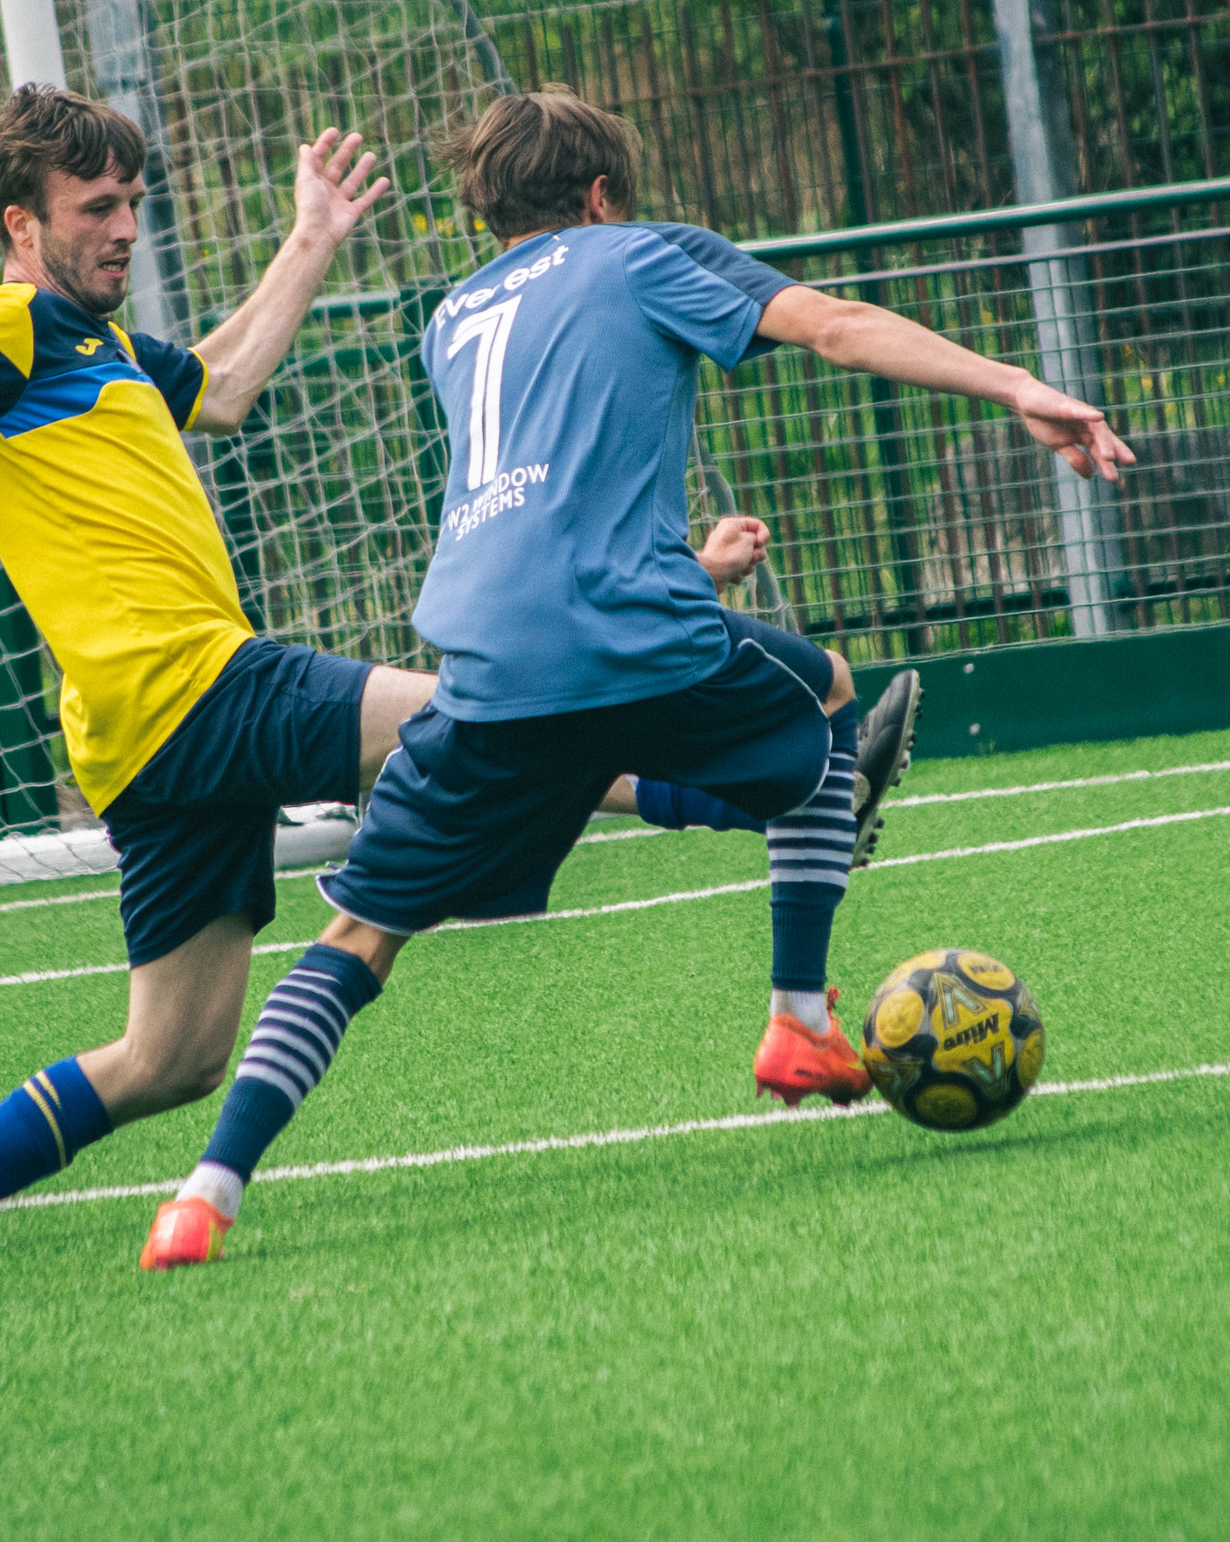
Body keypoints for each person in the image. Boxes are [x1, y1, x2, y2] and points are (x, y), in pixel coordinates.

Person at [0, 85, 903, 1270]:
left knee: (170, 1059)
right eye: (94, 207)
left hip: (139, 745)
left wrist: (310, 239)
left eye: (134, 203)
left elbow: (231, 383)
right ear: (19, 224)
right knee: (478, 710)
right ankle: (773, 800)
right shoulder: (2, 332)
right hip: (199, 685)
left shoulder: (104, 352)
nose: (121, 229)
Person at [136, 87, 1132, 1269]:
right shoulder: (641, 252)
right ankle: (798, 1021)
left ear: (489, 210)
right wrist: (1017, 383)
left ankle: (204, 1194)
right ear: (602, 195)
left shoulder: (451, 317)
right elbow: (836, 324)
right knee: (824, 695)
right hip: (622, 631)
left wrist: (685, 564)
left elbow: (550, 489)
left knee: (359, 937)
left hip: (484, 662)